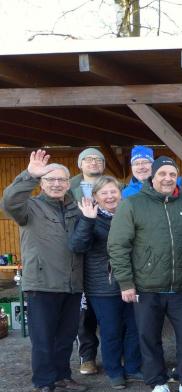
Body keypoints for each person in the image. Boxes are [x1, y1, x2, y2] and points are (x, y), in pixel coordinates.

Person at [107, 156, 182, 392]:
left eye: (172, 174)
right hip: (146, 286)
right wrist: (126, 282)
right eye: (162, 173)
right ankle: (158, 383)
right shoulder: (133, 204)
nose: (167, 178)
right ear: (152, 176)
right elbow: (118, 245)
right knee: (149, 336)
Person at [2, 150, 87, 392]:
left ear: (68, 183)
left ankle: (62, 376)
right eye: (51, 179)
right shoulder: (29, 207)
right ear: (42, 182)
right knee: (43, 338)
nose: (57, 184)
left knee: (66, 335)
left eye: (62, 180)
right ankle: (44, 384)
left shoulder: (75, 209)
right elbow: (9, 202)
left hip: (71, 283)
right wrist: (28, 175)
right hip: (42, 284)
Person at [69, 177, 142, 390]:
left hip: (132, 280)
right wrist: (88, 220)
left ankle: (133, 366)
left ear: (120, 194)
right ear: (95, 197)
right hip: (102, 284)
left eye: (113, 192)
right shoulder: (88, 216)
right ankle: (114, 371)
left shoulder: (130, 214)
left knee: (135, 326)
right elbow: (78, 246)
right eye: (104, 193)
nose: (110, 197)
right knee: (111, 329)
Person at [69, 148, 105, 376]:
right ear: (80, 164)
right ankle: (88, 357)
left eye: (98, 159)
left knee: (114, 312)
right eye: (88, 159)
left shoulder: (116, 186)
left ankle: (118, 352)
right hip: (80, 257)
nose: (93, 162)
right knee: (84, 314)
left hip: (106, 257)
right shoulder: (67, 189)